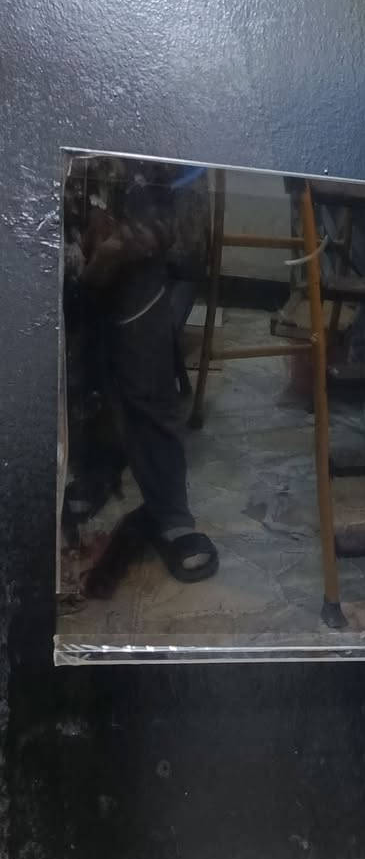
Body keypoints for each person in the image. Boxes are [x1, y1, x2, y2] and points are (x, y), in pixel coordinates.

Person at [75, 162, 218, 595]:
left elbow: (184, 232)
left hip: (152, 236)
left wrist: (118, 245)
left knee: (137, 316)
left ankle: (168, 508)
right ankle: (91, 468)